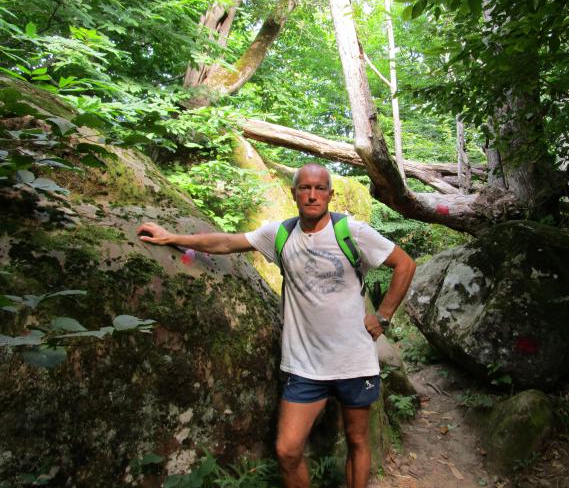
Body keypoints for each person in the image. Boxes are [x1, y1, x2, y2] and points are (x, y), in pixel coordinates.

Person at [137, 163, 416, 488]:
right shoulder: (280, 234)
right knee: (287, 450)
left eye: (320, 188)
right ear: (294, 193)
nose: (312, 195)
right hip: (304, 365)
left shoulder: (352, 232)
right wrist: (171, 237)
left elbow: (404, 264)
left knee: (357, 440)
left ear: (330, 194)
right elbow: (225, 243)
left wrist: (383, 316)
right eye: (305, 188)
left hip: (353, 361)